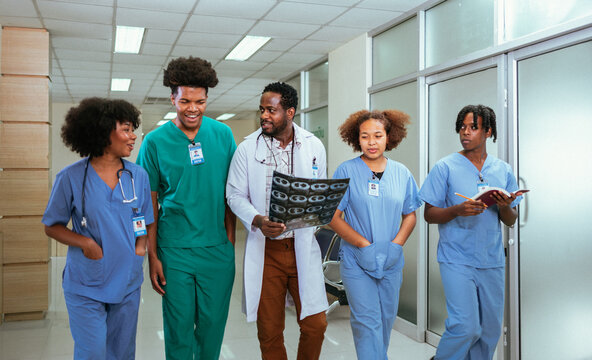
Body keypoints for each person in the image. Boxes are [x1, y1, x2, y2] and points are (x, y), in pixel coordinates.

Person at [136, 56, 237, 360]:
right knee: (179, 330)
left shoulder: (223, 135)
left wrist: (229, 242)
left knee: (212, 329)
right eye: (185, 101)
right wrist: (153, 256)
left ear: (208, 99)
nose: (193, 108)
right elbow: (148, 204)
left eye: (200, 101)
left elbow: (232, 194)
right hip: (174, 249)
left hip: (217, 250)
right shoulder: (154, 142)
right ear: (173, 98)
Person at [42, 97, 153, 359]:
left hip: (127, 280)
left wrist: (140, 248)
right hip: (86, 282)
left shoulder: (138, 176)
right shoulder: (71, 177)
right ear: (103, 132)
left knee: (122, 352)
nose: (133, 136)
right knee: (92, 351)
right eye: (126, 129)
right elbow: (52, 225)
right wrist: (86, 243)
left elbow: (144, 217)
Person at [226, 82, 328, 360]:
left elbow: (318, 189)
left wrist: (319, 209)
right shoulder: (247, 149)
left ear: (290, 112)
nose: (264, 116)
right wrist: (257, 220)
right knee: (269, 330)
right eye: (262, 109)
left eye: (271, 110)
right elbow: (234, 195)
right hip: (267, 250)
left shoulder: (313, 145)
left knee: (315, 324)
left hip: (302, 248)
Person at [419, 105, 523, 360]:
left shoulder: (502, 170)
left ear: (488, 132)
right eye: (462, 127)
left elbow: (510, 220)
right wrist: (457, 210)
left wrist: (504, 206)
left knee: (489, 331)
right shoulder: (445, 167)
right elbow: (429, 214)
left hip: (491, 260)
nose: (465, 132)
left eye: (473, 127)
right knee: (465, 326)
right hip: (456, 258)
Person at [329, 110, 421, 359]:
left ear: (388, 137)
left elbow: (410, 214)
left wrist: (396, 246)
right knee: (366, 323)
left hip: (390, 261)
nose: (371, 142)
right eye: (365, 136)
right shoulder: (345, 171)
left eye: (377, 135)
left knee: (385, 320)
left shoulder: (402, 173)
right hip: (357, 261)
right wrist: (363, 244)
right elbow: (333, 217)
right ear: (356, 139)